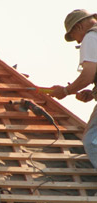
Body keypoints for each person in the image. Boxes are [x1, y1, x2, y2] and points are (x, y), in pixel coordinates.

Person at [49, 9, 97, 167]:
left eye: (75, 37)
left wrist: (65, 91)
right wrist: (93, 92)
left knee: (91, 141)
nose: (77, 42)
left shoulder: (91, 37)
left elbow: (88, 74)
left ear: (78, 27)